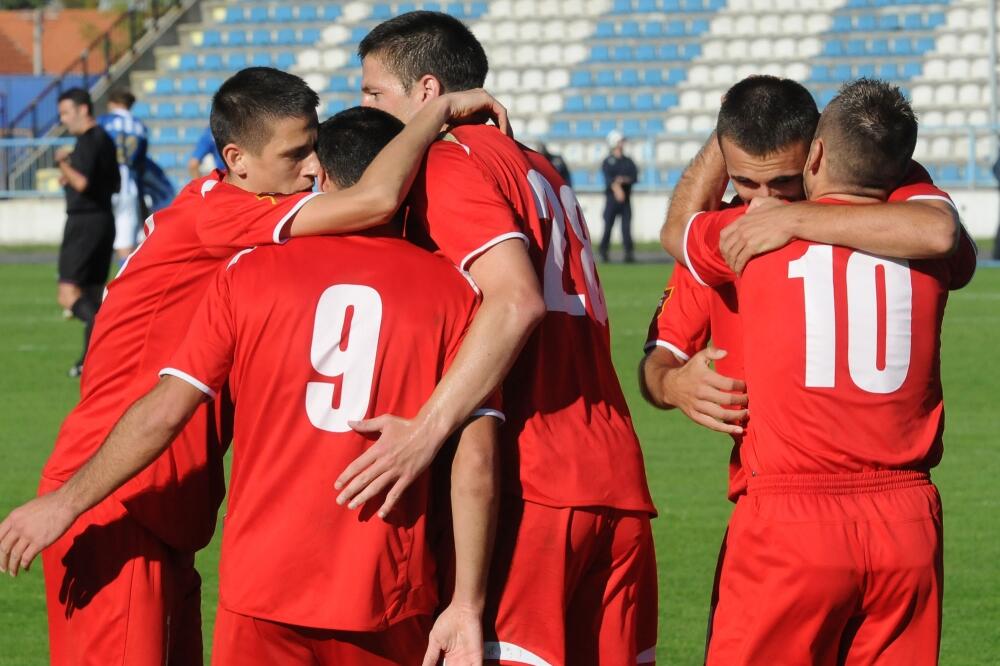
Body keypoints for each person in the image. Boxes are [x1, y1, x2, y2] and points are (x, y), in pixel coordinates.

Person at [9, 66, 507, 665]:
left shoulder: (228, 215)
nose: (311, 169)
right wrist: (436, 112)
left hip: (154, 492)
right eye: (296, 154)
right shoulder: (223, 215)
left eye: (315, 150)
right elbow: (374, 199)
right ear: (236, 159)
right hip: (113, 492)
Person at [342, 12, 657, 664]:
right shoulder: (541, 165)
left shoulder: (448, 160)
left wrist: (426, 431)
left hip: (534, 479)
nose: (362, 105)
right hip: (614, 477)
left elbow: (516, 300)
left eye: (373, 92)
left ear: (428, 92)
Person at [669, 78, 977, 665]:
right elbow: (943, 231)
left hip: (793, 517)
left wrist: (727, 141)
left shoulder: (752, 236)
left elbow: (678, 228)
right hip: (906, 522)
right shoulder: (930, 244)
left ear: (812, 154)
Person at [644, 76, 961, 506]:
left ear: (816, 154)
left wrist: (795, 220)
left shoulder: (883, 199)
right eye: (746, 182)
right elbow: (659, 359)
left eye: (782, 182)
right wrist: (672, 385)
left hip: (810, 496)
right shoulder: (726, 238)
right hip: (783, 490)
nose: (761, 203)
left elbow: (945, 235)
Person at [54, 87, 120, 378]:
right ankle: (90, 362)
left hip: (83, 224)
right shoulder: (105, 140)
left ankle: (105, 332)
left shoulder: (88, 140)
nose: (64, 120)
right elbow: (112, 182)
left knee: (68, 294)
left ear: (83, 109)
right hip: (104, 220)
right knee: (93, 292)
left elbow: (81, 183)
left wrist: (63, 164)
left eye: (66, 113)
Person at [97, 87, 149, 260]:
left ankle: (92, 283)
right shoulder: (140, 126)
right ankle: (124, 284)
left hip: (103, 184)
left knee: (98, 235)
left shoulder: (103, 121)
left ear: (112, 103)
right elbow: (142, 162)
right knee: (125, 241)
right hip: (130, 186)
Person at [599, 129, 638, 263]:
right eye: (620, 141)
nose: (622, 143)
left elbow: (634, 177)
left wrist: (623, 181)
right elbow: (608, 179)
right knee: (608, 225)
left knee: (626, 227)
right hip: (612, 200)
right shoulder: (608, 161)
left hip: (625, 199)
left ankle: (629, 253)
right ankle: (603, 252)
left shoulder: (628, 161)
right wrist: (617, 188)